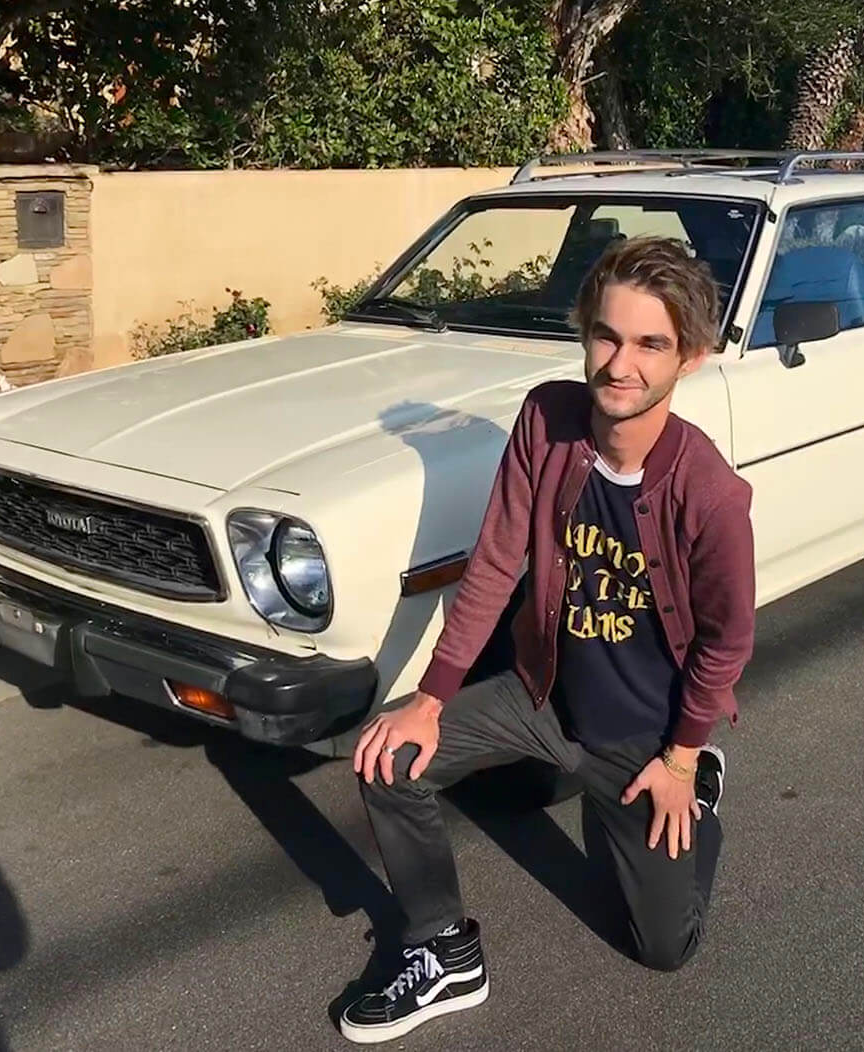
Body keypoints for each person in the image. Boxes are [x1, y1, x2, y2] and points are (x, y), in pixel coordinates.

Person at [340, 236, 756, 1044]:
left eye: (650, 344)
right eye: (606, 335)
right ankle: (442, 949)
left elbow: (724, 643)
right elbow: (497, 559)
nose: (619, 364)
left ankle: (699, 790)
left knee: (663, 949)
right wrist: (429, 700)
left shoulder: (708, 494)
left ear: (691, 359)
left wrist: (678, 758)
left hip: (642, 740)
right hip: (540, 699)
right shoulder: (547, 418)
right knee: (389, 755)